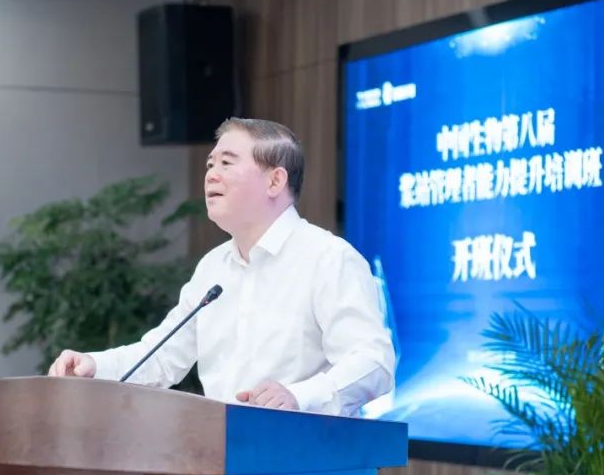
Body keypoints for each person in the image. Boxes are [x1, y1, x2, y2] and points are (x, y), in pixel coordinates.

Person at [49, 117, 394, 417]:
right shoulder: (213, 267)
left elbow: (373, 362)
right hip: (220, 457)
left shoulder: (327, 258)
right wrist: (95, 366)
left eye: (227, 163)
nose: (211, 176)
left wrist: (298, 397)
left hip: (308, 459)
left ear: (275, 181)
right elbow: (163, 356)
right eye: (210, 165)